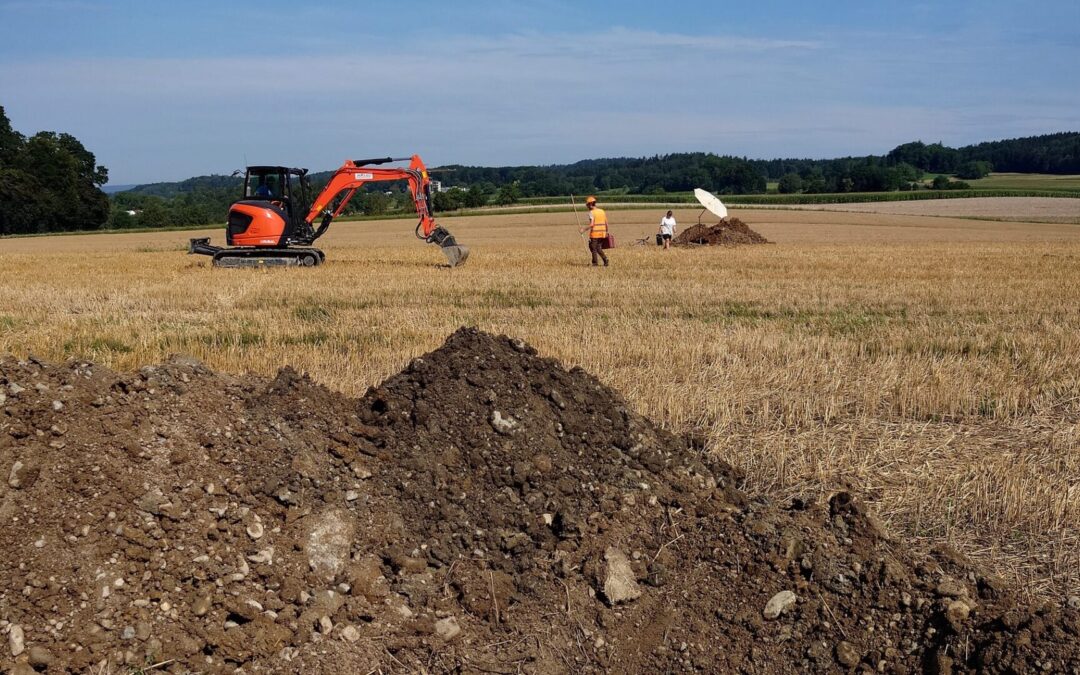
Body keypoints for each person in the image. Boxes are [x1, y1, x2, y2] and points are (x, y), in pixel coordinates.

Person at [578, 195, 609, 267]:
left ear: (591, 204)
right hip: (602, 233)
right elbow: (606, 223)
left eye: (588, 205)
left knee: (593, 248)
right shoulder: (602, 211)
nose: (587, 207)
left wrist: (583, 230)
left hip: (595, 234)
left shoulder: (591, 213)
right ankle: (605, 259)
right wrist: (606, 232)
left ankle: (595, 263)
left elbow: (592, 224)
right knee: (598, 248)